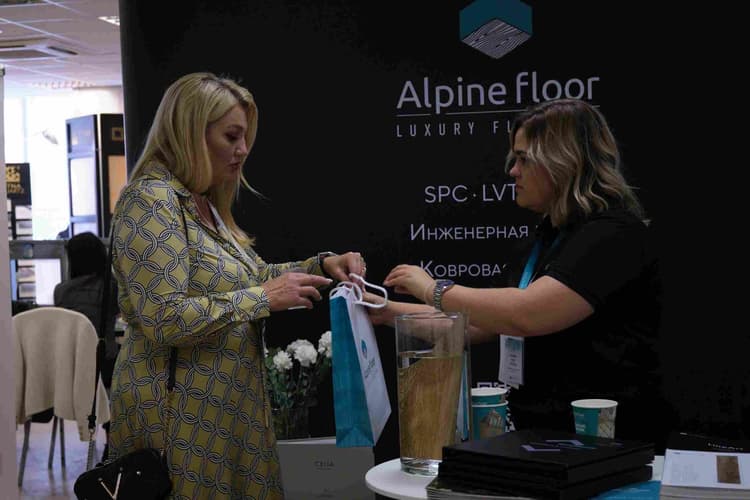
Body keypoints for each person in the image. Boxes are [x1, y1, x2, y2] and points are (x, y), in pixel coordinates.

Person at [107, 72, 366, 499]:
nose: (243, 150)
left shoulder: (201, 201)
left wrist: (321, 265)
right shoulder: (151, 200)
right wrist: (262, 299)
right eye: (231, 136)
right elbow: (165, 317)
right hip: (178, 421)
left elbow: (250, 277)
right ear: (190, 132)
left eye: (245, 137)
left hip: (226, 415)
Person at [369, 99, 669, 451]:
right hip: (547, 437)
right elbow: (476, 324)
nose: (513, 171)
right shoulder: (547, 238)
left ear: (563, 162)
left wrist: (433, 288)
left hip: (608, 446)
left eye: (524, 159)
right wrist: (386, 311)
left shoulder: (613, 234)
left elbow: (526, 313)